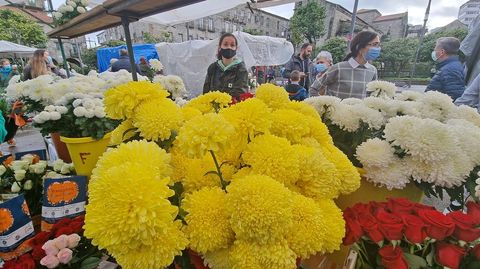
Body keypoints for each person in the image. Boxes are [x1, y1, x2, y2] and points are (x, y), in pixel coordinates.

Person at [310, 31, 380, 99]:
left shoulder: (372, 71)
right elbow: (314, 89)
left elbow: (372, 96)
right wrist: (324, 106)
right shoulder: (338, 68)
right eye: (374, 44)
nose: (378, 48)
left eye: (378, 45)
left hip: (360, 110)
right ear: (359, 46)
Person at [203, 33, 249, 100]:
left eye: (232, 45)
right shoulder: (213, 68)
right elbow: (206, 92)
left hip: (232, 108)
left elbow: (241, 94)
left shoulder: (241, 69)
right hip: (213, 107)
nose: (229, 47)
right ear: (219, 47)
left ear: (236, 48)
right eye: (225, 44)